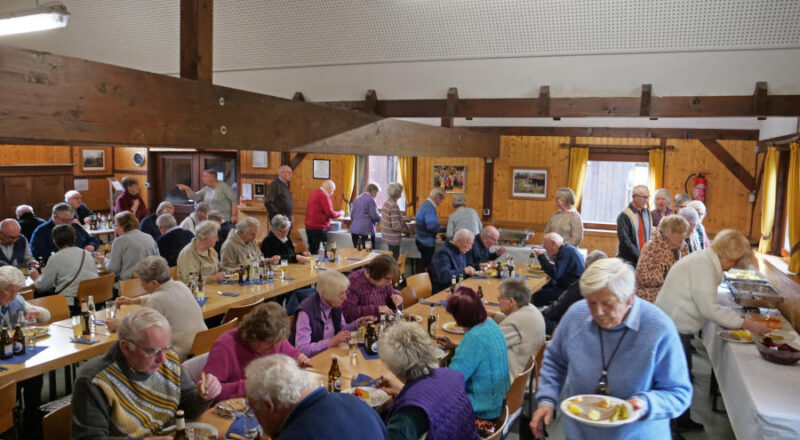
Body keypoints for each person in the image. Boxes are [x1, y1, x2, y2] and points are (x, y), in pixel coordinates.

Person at [530, 258, 692, 440]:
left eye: (608, 303)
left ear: (630, 298)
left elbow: (679, 393)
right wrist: (547, 398)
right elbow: (554, 360)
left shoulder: (659, 328)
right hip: (581, 434)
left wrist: (646, 403)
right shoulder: (576, 315)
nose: (598, 312)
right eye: (592, 302)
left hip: (637, 435)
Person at [655, 229, 769, 431]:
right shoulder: (704, 265)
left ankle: (681, 421)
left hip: (675, 324)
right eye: (734, 261)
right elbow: (709, 308)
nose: (733, 265)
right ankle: (672, 428)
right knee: (676, 380)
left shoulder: (706, 260)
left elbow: (707, 305)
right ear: (726, 254)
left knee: (682, 377)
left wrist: (735, 321)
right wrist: (747, 324)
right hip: (673, 326)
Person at [71, 307, 221, 439]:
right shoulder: (95, 381)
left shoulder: (168, 359)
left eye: (165, 348)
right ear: (125, 348)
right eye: (152, 351)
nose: (162, 359)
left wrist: (203, 396)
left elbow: (188, 407)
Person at [245, 354, 387, 440]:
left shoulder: (294, 435)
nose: (254, 415)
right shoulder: (355, 401)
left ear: (268, 405)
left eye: (253, 407)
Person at [377, 323, 481, 440]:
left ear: (395, 368)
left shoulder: (405, 418)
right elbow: (432, 399)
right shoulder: (453, 376)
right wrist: (404, 391)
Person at [203, 302, 312, 403]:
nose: (274, 347)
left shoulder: (274, 338)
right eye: (270, 343)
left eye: (278, 342)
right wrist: (251, 386)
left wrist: (300, 359)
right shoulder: (225, 346)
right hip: (233, 408)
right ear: (253, 336)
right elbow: (206, 390)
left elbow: (293, 354)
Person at [109, 256, 207, 360]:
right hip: (203, 346)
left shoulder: (156, 299)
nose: (141, 285)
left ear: (154, 283)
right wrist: (132, 301)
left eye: (142, 282)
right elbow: (161, 296)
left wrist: (119, 324)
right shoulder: (180, 285)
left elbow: (142, 328)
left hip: (180, 355)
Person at [436, 287, 509, 421]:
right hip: (500, 405)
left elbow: (452, 380)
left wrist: (430, 371)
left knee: (433, 403)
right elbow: (481, 354)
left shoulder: (474, 337)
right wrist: (455, 346)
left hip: (483, 414)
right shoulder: (490, 324)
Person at [0, 266, 51, 438]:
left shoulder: (16, 300)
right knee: (14, 381)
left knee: (34, 373)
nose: (14, 296)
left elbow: (46, 315)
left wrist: (34, 312)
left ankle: (31, 423)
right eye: (10, 292)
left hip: (10, 355)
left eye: (17, 292)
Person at [290, 270, 374, 357]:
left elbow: (342, 328)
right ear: (328, 294)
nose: (345, 298)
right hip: (311, 360)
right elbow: (302, 349)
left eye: (346, 292)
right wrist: (331, 342)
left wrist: (357, 324)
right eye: (341, 294)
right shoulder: (306, 312)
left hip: (330, 354)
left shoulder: (334, 304)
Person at [32, 225, 98, 310]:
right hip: (93, 299)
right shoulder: (87, 254)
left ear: (54, 241)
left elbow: (43, 287)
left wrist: (36, 278)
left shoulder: (55, 258)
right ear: (74, 238)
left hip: (71, 303)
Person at [489, 279, 546, 378]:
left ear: (511, 301)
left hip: (512, 378)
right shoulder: (530, 309)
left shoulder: (514, 326)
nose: (498, 300)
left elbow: (488, 343)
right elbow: (514, 318)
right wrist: (491, 314)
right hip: (528, 371)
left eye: (500, 297)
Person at [541, 250, 607, 334]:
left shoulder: (583, 285)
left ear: (587, 267)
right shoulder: (606, 285)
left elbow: (560, 309)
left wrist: (545, 311)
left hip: (565, 326)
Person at [635, 215, 690, 303]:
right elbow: (641, 276)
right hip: (652, 296)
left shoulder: (684, 247)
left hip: (675, 294)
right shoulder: (652, 247)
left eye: (684, 231)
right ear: (667, 233)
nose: (683, 235)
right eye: (679, 232)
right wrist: (666, 278)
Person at [30, 203, 100, 265]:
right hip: (58, 266)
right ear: (54, 217)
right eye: (65, 220)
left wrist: (91, 245)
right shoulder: (42, 231)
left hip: (82, 263)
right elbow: (37, 253)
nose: (69, 223)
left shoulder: (75, 226)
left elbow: (92, 239)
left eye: (71, 219)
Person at [341, 254, 403, 322]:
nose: (390, 282)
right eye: (387, 279)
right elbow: (346, 313)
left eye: (391, 279)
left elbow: (391, 293)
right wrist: (376, 309)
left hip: (382, 322)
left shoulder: (384, 281)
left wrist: (397, 297)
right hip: (362, 326)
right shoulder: (354, 283)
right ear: (375, 273)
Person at [531, 232, 585, 307]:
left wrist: (541, 256)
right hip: (569, 287)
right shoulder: (567, 249)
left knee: (535, 296)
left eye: (545, 243)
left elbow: (555, 273)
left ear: (553, 243)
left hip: (569, 291)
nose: (543, 247)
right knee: (543, 288)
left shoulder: (566, 251)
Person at [105, 211, 159, 281]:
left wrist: (105, 261)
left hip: (129, 283)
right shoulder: (149, 237)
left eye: (116, 225)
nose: (116, 228)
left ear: (122, 226)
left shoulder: (119, 241)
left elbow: (113, 269)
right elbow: (158, 260)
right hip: (150, 281)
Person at [176, 220, 225, 284]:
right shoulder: (188, 253)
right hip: (194, 289)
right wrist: (212, 278)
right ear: (205, 239)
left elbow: (220, 267)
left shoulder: (210, 250)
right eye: (215, 237)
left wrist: (232, 271)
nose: (217, 240)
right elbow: (190, 280)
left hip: (212, 287)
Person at [616, 184, 651, 267]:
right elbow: (625, 241)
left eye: (647, 197)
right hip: (628, 261)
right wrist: (640, 256)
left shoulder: (647, 213)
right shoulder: (624, 215)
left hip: (644, 259)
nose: (646, 200)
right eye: (644, 197)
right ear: (634, 197)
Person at [305, 180, 343, 255]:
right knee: (320, 252)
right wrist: (340, 213)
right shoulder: (324, 196)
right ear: (329, 188)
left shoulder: (314, 193)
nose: (332, 193)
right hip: (318, 228)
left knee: (312, 250)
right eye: (332, 190)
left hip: (309, 227)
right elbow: (330, 213)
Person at [414, 188, 445, 273]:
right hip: (426, 241)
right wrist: (443, 229)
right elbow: (431, 226)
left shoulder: (425, 204)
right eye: (441, 199)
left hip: (420, 239)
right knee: (427, 266)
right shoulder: (429, 208)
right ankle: (426, 280)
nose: (441, 202)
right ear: (437, 197)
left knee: (425, 264)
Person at [350, 183, 382, 249]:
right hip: (366, 232)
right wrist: (381, 217)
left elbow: (351, 216)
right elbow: (374, 216)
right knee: (368, 252)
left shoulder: (357, 199)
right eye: (376, 193)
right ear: (374, 191)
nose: (376, 195)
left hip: (355, 232)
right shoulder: (370, 200)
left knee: (357, 252)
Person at [380, 182, 406, 259]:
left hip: (387, 236)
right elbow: (396, 227)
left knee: (390, 260)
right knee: (394, 261)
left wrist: (401, 219)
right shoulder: (394, 205)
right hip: (393, 239)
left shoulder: (387, 202)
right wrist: (404, 223)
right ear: (398, 193)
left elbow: (391, 219)